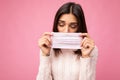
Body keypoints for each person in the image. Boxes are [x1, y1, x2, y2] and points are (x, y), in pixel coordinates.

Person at [36, 2, 98, 80]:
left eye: (73, 26)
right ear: (56, 25)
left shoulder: (91, 49)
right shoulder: (48, 47)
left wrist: (86, 57)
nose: (66, 31)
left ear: (79, 27)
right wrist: (45, 55)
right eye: (61, 24)